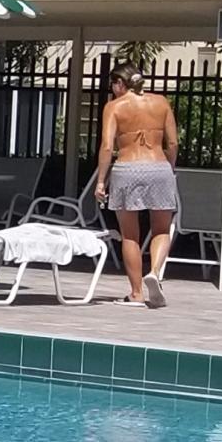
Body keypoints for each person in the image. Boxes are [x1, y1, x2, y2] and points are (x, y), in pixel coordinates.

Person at [93, 64, 180, 307]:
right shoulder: (161, 102)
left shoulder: (114, 107)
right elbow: (172, 143)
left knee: (130, 235)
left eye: (113, 84)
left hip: (127, 169)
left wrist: (101, 181)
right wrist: (169, 169)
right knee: (162, 229)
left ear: (120, 83)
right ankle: (153, 271)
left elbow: (108, 146)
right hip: (159, 167)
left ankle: (136, 293)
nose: (112, 89)